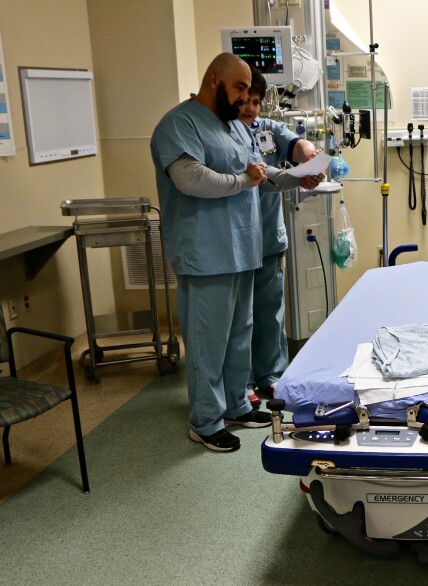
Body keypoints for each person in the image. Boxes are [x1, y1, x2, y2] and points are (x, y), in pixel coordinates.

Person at [150, 53, 273, 452]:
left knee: (240, 332)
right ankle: (205, 420)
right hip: (206, 251)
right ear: (215, 81)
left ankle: (236, 403)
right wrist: (242, 180)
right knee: (208, 339)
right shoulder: (178, 124)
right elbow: (191, 179)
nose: (244, 99)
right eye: (239, 88)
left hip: (242, 245)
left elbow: (257, 171)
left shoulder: (236, 126)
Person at [238, 69, 323, 407]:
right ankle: (241, 381)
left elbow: (295, 143)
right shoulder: (224, 134)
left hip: (269, 236)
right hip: (238, 240)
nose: (251, 108)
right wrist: (295, 178)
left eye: (256, 102)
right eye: (245, 101)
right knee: (241, 318)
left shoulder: (266, 130)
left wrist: (308, 153)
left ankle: (271, 376)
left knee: (271, 311)